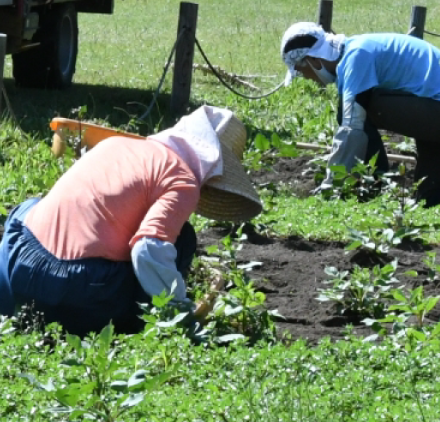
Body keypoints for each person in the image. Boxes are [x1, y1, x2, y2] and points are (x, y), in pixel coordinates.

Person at [0, 105, 262, 336]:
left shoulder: (116, 144)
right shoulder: (181, 180)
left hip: (21, 260)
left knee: (30, 207)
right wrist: (182, 315)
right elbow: (149, 248)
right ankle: (146, 322)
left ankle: (6, 302)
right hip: (73, 291)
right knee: (182, 238)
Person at [280, 21, 440, 207]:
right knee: (429, 199)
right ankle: (431, 197)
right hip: (433, 108)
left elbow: (351, 128)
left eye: (301, 70)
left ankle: (372, 183)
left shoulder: (356, 56)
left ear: (314, 60)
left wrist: (331, 186)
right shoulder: (357, 48)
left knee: (358, 107)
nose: (307, 78)